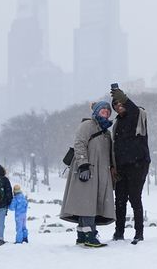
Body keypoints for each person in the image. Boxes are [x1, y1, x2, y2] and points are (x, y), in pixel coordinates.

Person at [60, 101, 116, 248]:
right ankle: (90, 236)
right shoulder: (87, 126)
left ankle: (81, 235)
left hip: (100, 173)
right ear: (96, 112)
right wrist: (83, 165)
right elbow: (79, 144)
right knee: (86, 203)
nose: (105, 112)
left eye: (107, 111)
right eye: (102, 110)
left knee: (90, 203)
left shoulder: (106, 132)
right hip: (87, 170)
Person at [110, 86, 151, 244]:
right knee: (119, 200)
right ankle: (119, 232)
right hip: (122, 167)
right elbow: (114, 147)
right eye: (115, 106)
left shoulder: (135, 116)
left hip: (138, 164)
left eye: (121, 104)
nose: (119, 107)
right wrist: (114, 166)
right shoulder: (117, 124)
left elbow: (132, 108)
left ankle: (138, 233)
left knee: (135, 198)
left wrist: (123, 96)